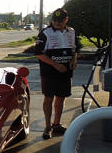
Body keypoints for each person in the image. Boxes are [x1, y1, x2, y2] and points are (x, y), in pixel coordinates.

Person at [34, 8, 81, 139]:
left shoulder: (71, 32)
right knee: (49, 98)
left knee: (61, 97)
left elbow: (74, 48)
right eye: (55, 20)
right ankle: (47, 126)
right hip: (49, 73)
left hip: (65, 72)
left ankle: (56, 124)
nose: (57, 23)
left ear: (66, 20)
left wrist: (74, 59)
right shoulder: (45, 33)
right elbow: (38, 53)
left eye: (60, 21)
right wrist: (55, 65)